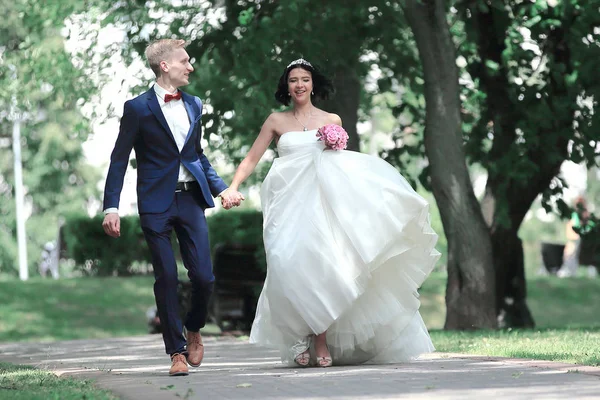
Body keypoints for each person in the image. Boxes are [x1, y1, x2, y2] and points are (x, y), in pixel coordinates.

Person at [222, 58, 440, 367]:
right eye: (294, 79)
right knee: (286, 265)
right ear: (287, 86)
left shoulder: (332, 120)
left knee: (322, 268)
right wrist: (233, 186)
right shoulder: (276, 120)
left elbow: (342, 169)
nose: (299, 84)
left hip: (320, 208)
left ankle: (320, 338)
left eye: (305, 79)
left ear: (313, 85)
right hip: (285, 207)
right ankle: (298, 337)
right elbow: (252, 157)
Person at [102, 38, 244, 376]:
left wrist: (222, 189)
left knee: (204, 278)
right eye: (185, 61)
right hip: (155, 203)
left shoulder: (194, 104)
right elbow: (119, 159)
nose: (191, 67)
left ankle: (194, 327)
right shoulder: (137, 108)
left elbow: (197, 156)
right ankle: (176, 352)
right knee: (166, 276)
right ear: (165, 65)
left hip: (191, 198)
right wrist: (111, 206)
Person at [558, 196, 597, 278]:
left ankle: (568, 271)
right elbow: (571, 232)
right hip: (576, 242)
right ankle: (568, 271)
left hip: (582, 243)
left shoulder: (586, 217)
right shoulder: (575, 215)